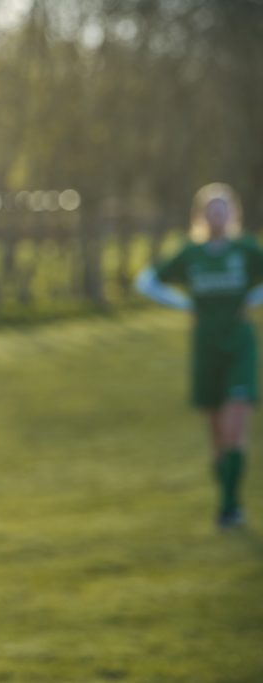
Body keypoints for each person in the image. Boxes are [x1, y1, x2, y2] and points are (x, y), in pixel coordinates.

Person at [136, 183, 263, 529]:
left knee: (234, 428)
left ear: (232, 213)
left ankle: (229, 507)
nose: (216, 215)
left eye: (222, 209)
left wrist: (251, 300)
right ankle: (227, 499)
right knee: (217, 434)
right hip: (205, 347)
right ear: (201, 215)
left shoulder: (246, 249)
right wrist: (184, 304)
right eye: (211, 209)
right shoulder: (191, 253)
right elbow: (145, 282)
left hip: (239, 345)